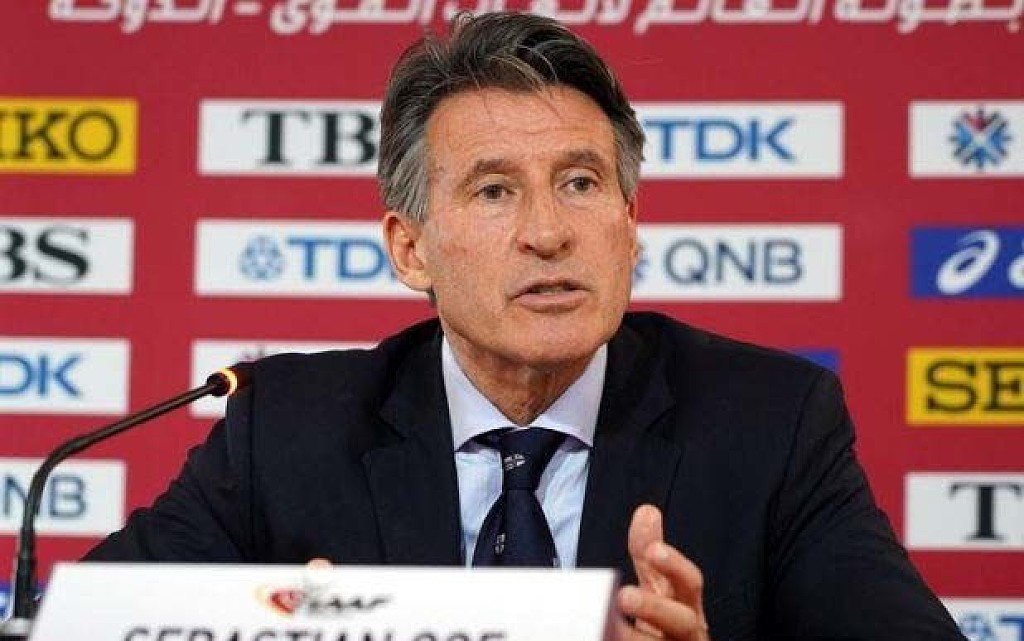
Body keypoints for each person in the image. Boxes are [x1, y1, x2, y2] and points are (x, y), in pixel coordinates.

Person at [86, 11, 966, 640]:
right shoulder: (287, 429)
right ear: (410, 248)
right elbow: (89, 621)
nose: (548, 231)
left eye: (580, 183)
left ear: (629, 222)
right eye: (494, 190)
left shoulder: (770, 424)